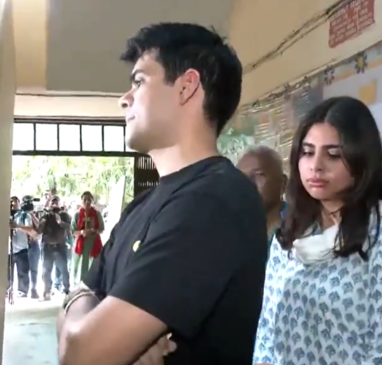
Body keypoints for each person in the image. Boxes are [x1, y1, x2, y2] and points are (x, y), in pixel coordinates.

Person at [57, 22, 268, 365]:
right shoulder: (143, 204)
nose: (123, 100)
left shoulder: (215, 201)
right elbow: (81, 309)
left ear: (186, 86)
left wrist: (90, 317)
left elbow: (81, 354)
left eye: (139, 81)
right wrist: (84, 304)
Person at [253, 97, 382, 365]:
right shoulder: (289, 235)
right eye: (308, 152)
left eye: (333, 154)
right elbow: (266, 330)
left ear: (361, 162)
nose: (316, 165)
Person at [237, 146, 288, 246]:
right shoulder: (234, 233)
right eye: (241, 177)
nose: (247, 184)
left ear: (283, 183)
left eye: (258, 175)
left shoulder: (301, 227)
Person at [37, 195, 72, 300]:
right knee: (46, 270)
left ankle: (66, 290)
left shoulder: (64, 215)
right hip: (47, 246)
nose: (54, 204)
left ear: (60, 203)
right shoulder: (45, 216)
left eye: (56, 202)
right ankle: (47, 291)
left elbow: (71, 227)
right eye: (53, 202)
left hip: (60, 246)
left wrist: (60, 222)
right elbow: (39, 230)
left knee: (64, 269)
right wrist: (42, 223)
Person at [71, 191, 104, 286]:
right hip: (80, 245)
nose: (87, 202)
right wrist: (81, 232)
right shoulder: (77, 214)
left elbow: (101, 229)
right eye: (84, 199)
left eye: (89, 199)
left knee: (92, 267)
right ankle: (78, 286)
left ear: (92, 201)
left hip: (93, 244)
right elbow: (73, 231)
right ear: (81, 201)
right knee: (79, 268)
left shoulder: (97, 214)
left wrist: (93, 230)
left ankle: (91, 287)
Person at [8, 196, 37, 298]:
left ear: (19, 203)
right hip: (8, 249)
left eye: (15, 201)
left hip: (21, 248)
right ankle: (7, 291)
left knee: (23, 272)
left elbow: (30, 228)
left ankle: (23, 291)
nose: (13, 203)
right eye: (11, 201)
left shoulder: (24, 215)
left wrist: (17, 226)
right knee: (7, 273)